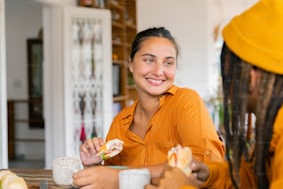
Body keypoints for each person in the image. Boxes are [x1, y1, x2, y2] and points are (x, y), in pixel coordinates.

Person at [145, 0, 283, 189]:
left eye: (229, 78)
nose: (227, 91)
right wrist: (210, 175)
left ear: (251, 78)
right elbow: (254, 178)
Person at [72, 27, 225, 188]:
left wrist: (120, 177)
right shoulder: (120, 122)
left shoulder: (186, 101)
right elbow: (109, 178)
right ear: (130, 63)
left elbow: (201, 167)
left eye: (168, 62)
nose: (159, 71)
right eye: (149, 60)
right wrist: (93, 166)